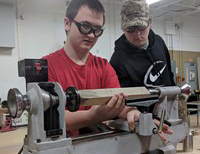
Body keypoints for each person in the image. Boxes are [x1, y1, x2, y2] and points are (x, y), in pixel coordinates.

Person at [43, 0, 172, 140]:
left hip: (101, 147)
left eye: (97, 29)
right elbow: (48, 120)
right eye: (85, 26)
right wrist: (93, 116)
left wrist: (133, 112)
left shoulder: (104, 67)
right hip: (60, 149)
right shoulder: (45, 67)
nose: (92, 35)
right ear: (67, 23)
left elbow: (119, 102)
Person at [110, 0, 175, 88]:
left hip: (169, 100)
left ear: (150, 23)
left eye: (141, 27)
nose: (137, 34)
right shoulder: (118, 60)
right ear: (123, 28)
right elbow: (124, 97)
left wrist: (175, 95)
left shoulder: (159, 42)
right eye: (130, 28)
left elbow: (169, 74)